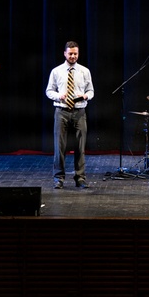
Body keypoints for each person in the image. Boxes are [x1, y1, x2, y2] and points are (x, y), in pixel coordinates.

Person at [46, 41, 94, 189]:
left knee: (80, 147)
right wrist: (59, 96)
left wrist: (85, 96)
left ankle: (80, 178)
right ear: (65, 53)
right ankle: (58, 178)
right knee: (59, 146)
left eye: (75, 54)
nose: (73, 56)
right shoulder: (56, 71)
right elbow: (49, 91)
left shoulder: (84, 71)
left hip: (79, 111)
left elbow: (91, 91)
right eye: (70, 53)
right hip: (62, 112)